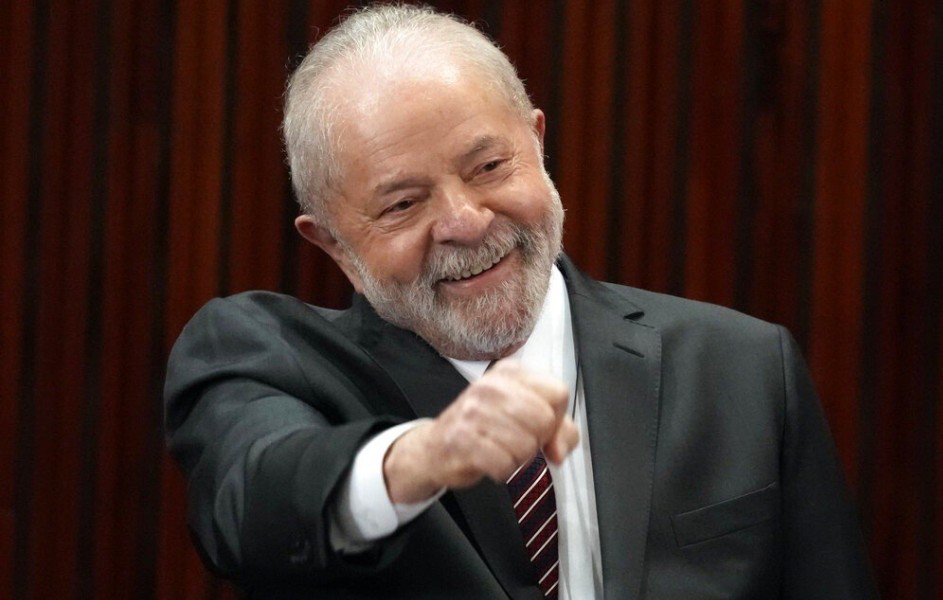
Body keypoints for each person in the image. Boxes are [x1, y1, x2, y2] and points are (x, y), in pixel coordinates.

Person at [164, 5, 877, 599]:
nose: (466, 220)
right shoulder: (268, 357)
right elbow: (249, 505)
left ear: (536, 143)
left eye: (489, 166)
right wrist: (420, 457)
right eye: (404, 203)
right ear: (332, 245)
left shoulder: (744, 368)